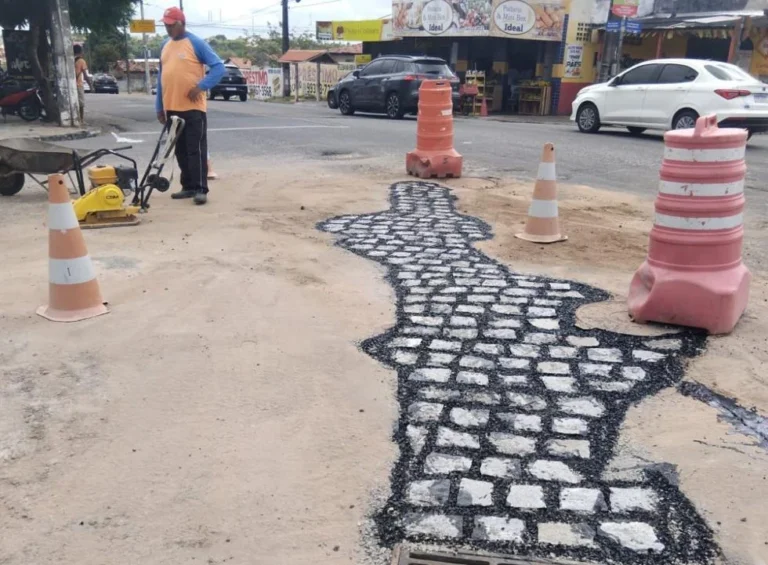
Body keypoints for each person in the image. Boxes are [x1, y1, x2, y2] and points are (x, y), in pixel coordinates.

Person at [155, 6, 225, 205]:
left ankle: (201, 188)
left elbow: (218, 68)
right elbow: (161, 78)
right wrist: (159, 106)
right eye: (165, 25)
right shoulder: (164, 45)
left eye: (170, 25)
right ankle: (187, 186)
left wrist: (201, 86)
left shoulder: (195, 43)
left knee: (196, 149)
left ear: (180, 24)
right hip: (172, 107)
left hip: (193, 108)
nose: (167, 29)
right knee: (180, 150)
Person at [74, 45, 93, 125]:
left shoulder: (70, 60)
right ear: (81, 51)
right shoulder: (81, 61)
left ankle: (77, 119)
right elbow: (85, 75)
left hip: (71, 85)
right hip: (78, 85)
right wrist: (91, 86)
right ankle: (81, 120)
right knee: (81, 103)